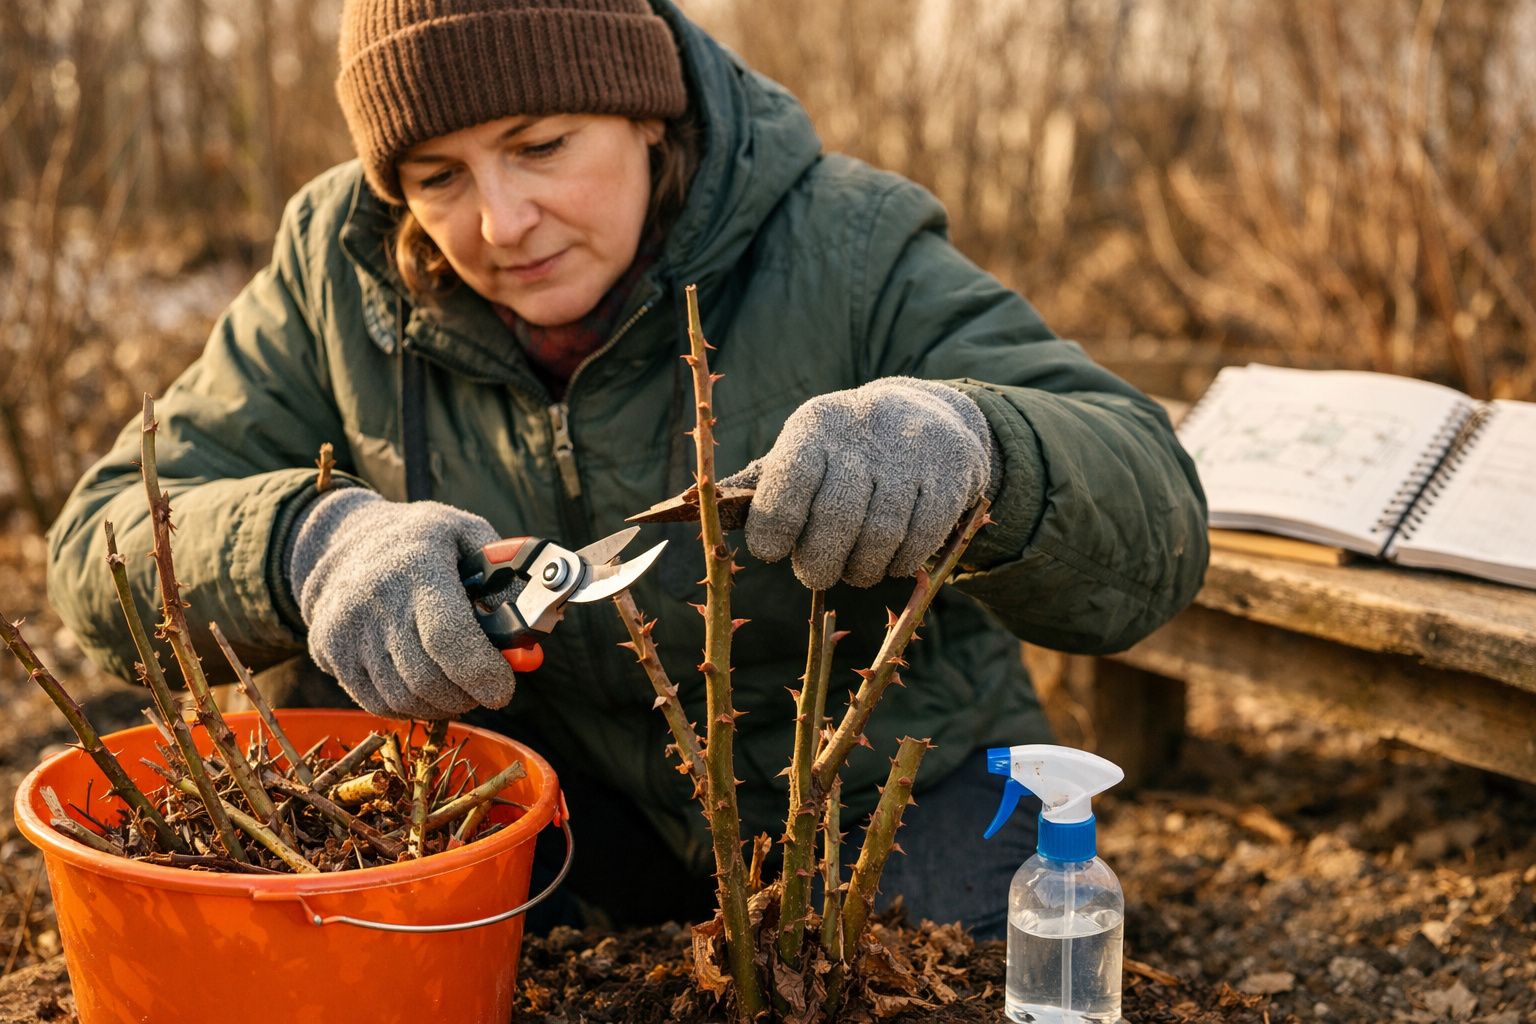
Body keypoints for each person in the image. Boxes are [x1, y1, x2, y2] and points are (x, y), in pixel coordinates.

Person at [46, 0, 1208, 939]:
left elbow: (1154, 522)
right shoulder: (335, 273)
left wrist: (974, 443)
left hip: (876, 799)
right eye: (437, 177)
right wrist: (309, 544)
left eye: (542, 147)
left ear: (649, 117)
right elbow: (103, 540)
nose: (501, 221)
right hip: (538, 806)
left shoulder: (848, 245)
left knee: (952, 959)